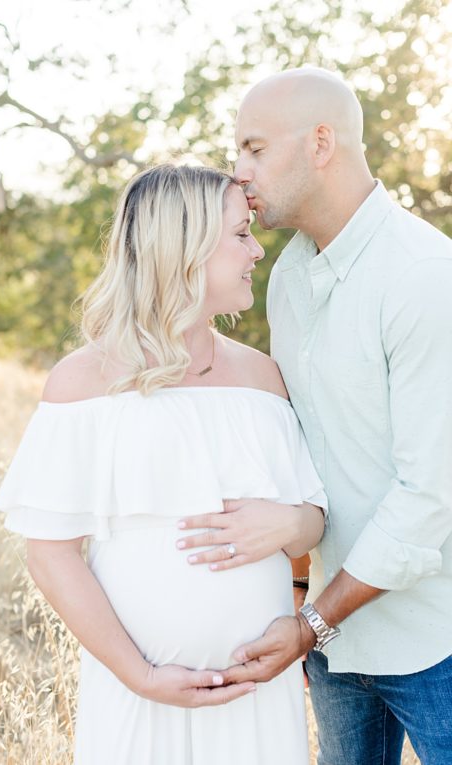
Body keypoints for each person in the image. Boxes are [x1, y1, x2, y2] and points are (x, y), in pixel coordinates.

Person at [0, 163, 327, 764]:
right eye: (240, 233)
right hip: (141, 693)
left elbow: (313, 521)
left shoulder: (262, 375)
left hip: (256, 688)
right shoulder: (82, 383)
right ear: (184, 248)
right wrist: (139, 675)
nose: (256, 249)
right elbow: (50, 553)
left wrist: (292, 525)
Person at [223, 67, 452, 764]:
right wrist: (304, 608)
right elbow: (303, 455)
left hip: (435, 639)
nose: (239, 172)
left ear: (322, 142)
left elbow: (429, 497)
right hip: (333, 640)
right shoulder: (288, 275)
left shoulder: (424, 276)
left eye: (255, 148)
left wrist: (313, 622)